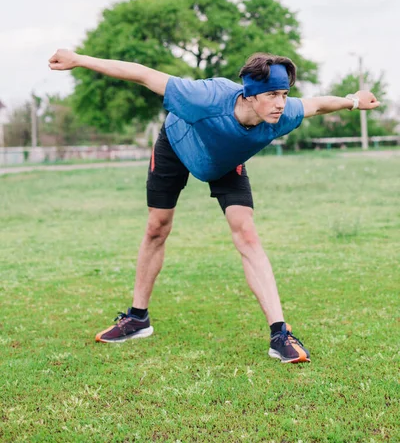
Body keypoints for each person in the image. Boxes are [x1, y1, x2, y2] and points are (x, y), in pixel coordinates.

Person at [48, 49, 380, 363]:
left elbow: (319, 105)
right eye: (272, 95)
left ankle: (280, 335)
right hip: (177, 144)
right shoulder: (203, 98)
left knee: (247, 234)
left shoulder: (284, 113)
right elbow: (142, 75)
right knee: (156, 228)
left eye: (284, 94)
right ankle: (138, 318)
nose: (281, 103)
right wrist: (79, 59)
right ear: (250, 95)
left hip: (224, 161)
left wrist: (353, 102)